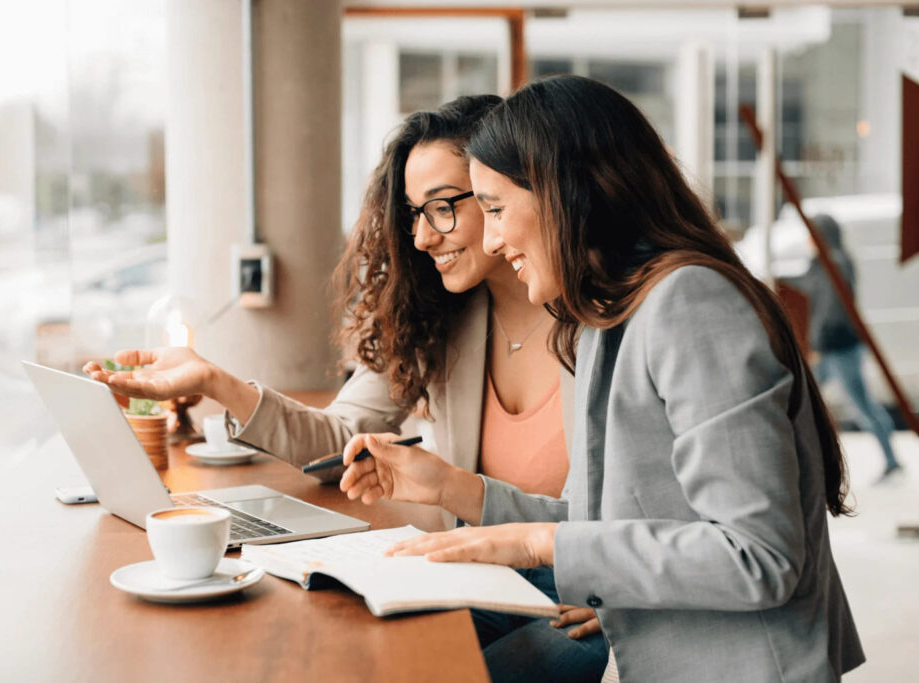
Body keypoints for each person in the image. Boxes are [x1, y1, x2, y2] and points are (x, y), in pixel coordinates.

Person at [339, 75, 864, 682]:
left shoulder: (690, 303)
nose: (493, 236)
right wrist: (459, 491)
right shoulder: (603, 318)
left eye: (496, 208)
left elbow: (759, 557)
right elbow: (608, 522)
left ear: (567, 193)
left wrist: (539, 547)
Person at [84, 95, 607, 681]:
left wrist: (614, 589)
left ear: (504, 190)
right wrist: (214, 380)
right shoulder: (445, 318)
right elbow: (341, 437)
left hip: (581, 597)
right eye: (414, 214)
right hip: (476, 575)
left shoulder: (602, 326)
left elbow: (649, 520)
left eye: (442, 209)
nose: (421, 239)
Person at [782, 213, 902, 481]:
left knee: (860, 405)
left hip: (837, 347)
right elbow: (803, 284)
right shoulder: (823, 264)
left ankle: (893, 462)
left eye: (811, 234)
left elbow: (831, 310)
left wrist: (819, 345)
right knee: (804, 400)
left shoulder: (833, 263)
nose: (807, 240)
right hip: (830, 348)